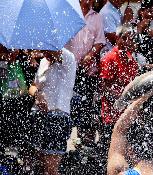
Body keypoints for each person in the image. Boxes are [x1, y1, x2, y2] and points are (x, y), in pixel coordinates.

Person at [65, 0, 106, 149]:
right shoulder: (70, 13)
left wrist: (90, 54)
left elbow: (100, 41)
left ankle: (83, 145)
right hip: (69, 68)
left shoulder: (97, 17)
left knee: (86, 106)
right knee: (67, 105)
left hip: (88, 71)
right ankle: (64, 141)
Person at [28, 48, 76, 175]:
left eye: (46, 50)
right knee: (39, 166)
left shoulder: (68, 57)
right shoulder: (44, 61)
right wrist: (37, 95)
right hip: (38, 116)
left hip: (57, 117)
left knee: (51, 169)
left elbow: (55, 50)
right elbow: (33, 86)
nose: (44, 54)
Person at [98, 25, 139, 173]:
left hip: (126, 116)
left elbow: (134, 86)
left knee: (123, 156)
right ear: (118, 38)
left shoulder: (131, 60)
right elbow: (103, 87)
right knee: (108, 155)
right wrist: (123, 99)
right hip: (111, 116)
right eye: (125, 38)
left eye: (131, 38)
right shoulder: (110, 58)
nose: (128, 41)